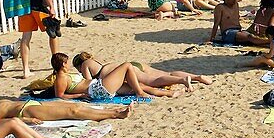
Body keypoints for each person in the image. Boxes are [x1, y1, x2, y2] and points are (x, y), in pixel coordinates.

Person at [51, 52, 170, 101]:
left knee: (134, 86)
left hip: (98, 88)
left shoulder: (64, 75)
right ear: (62, 64)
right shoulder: (61, 78)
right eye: (66, 63)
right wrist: (80, 95)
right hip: (97, 89)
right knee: (127, 66)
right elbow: (59, 95)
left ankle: (169, 94)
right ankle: (140, 93)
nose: (68, 66)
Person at [72, 52, 208, 91]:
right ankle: (197, 77)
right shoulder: (96, 62)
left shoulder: (85, 65)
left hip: (129, 69)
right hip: (134, 64)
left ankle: (182, 80)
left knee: (153, 82)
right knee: (167, 73)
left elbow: (88, 82)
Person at [0, 98, 130, 124]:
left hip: (29, 103)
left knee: (75, 106)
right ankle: (115, 114)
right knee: (72, 111)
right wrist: (26, 121)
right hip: (25, 111)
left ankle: (112, 110)